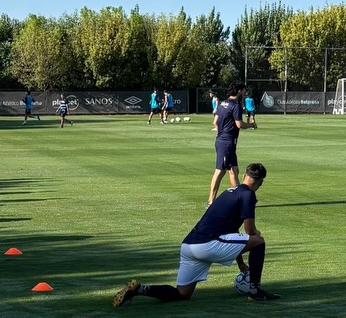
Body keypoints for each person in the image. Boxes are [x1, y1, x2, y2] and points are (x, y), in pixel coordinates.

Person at [114, 163, 273, 304]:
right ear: (261, 182)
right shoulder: (248, 195)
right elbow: (249, 232)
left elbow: (232, 233)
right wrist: (256, 234)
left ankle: (141, 289)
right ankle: (254, 291)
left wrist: (240, 262)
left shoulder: (229, 192)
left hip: (189, 246)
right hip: (207, 245)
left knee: (182, 293)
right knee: (258, 240)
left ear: (245, 176)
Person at [209, 85, 243, 203]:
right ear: (239, 91)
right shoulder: (236, 105)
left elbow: (215, 121)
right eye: (243, 90)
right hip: (226, 142)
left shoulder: (223, 103)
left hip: (224, 141)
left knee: (234, 170)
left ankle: (239, 200)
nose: (244, 92)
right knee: (220, 171)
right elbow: (239, 124)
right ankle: (211, 201)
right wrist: (251, 125)